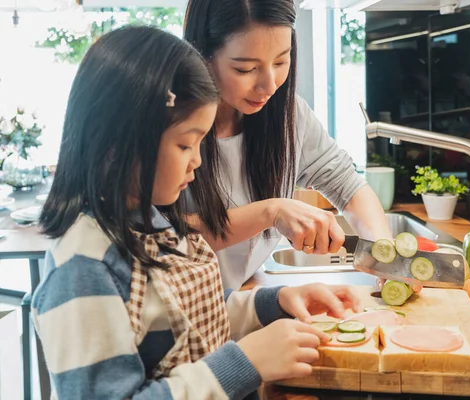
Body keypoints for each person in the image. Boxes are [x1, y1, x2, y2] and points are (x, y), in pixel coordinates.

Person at [33, 25, 361, 399]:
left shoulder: (151, 220)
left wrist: (275, 303)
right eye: (186, 145)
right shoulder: (83, 269)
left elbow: (192, 314)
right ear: (121, 142)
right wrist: (245, 362)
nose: (197, 162)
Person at [183, 0, 393, 290]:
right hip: (176, 311)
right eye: (245, 69)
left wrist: (385, 257)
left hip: (238, 302)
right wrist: (271, 212)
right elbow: (161, 234)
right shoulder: (168, 121)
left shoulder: (287, 115)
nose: (269, 85)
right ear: (202, 54)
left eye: (281, 61)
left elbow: (348, 186)